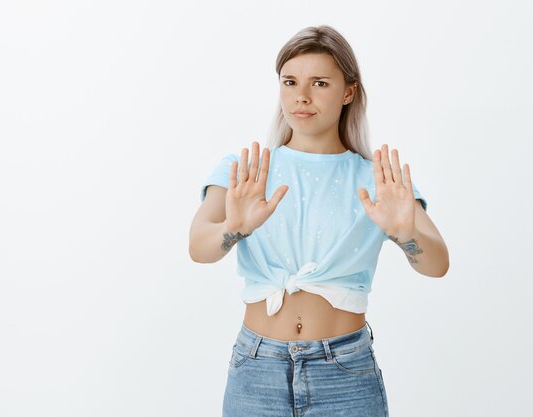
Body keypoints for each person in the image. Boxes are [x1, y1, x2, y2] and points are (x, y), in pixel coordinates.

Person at [189, 25, 449, 417]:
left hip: (344, 372)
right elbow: (198, 248)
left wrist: (406, 233)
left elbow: (437, 264)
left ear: (349, 92)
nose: (302, 97)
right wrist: (234, 228)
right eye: (290, 82)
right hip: (257, 369)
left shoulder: (376, 179)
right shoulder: (245, 171)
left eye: (320, 83)